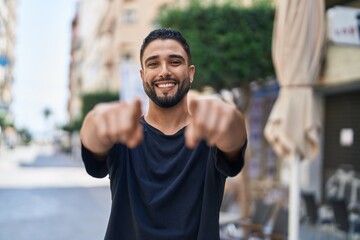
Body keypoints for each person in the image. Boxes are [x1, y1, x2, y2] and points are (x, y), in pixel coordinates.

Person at [80, 28, 247, 240]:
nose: (164, 71)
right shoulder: (124, 133)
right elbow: (92, 141)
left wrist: (232, 119)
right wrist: (93, 121)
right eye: (153, 64)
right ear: (142, 76)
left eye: (175, 62)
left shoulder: (211, 134)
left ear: (191, 72)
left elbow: (234, 139)